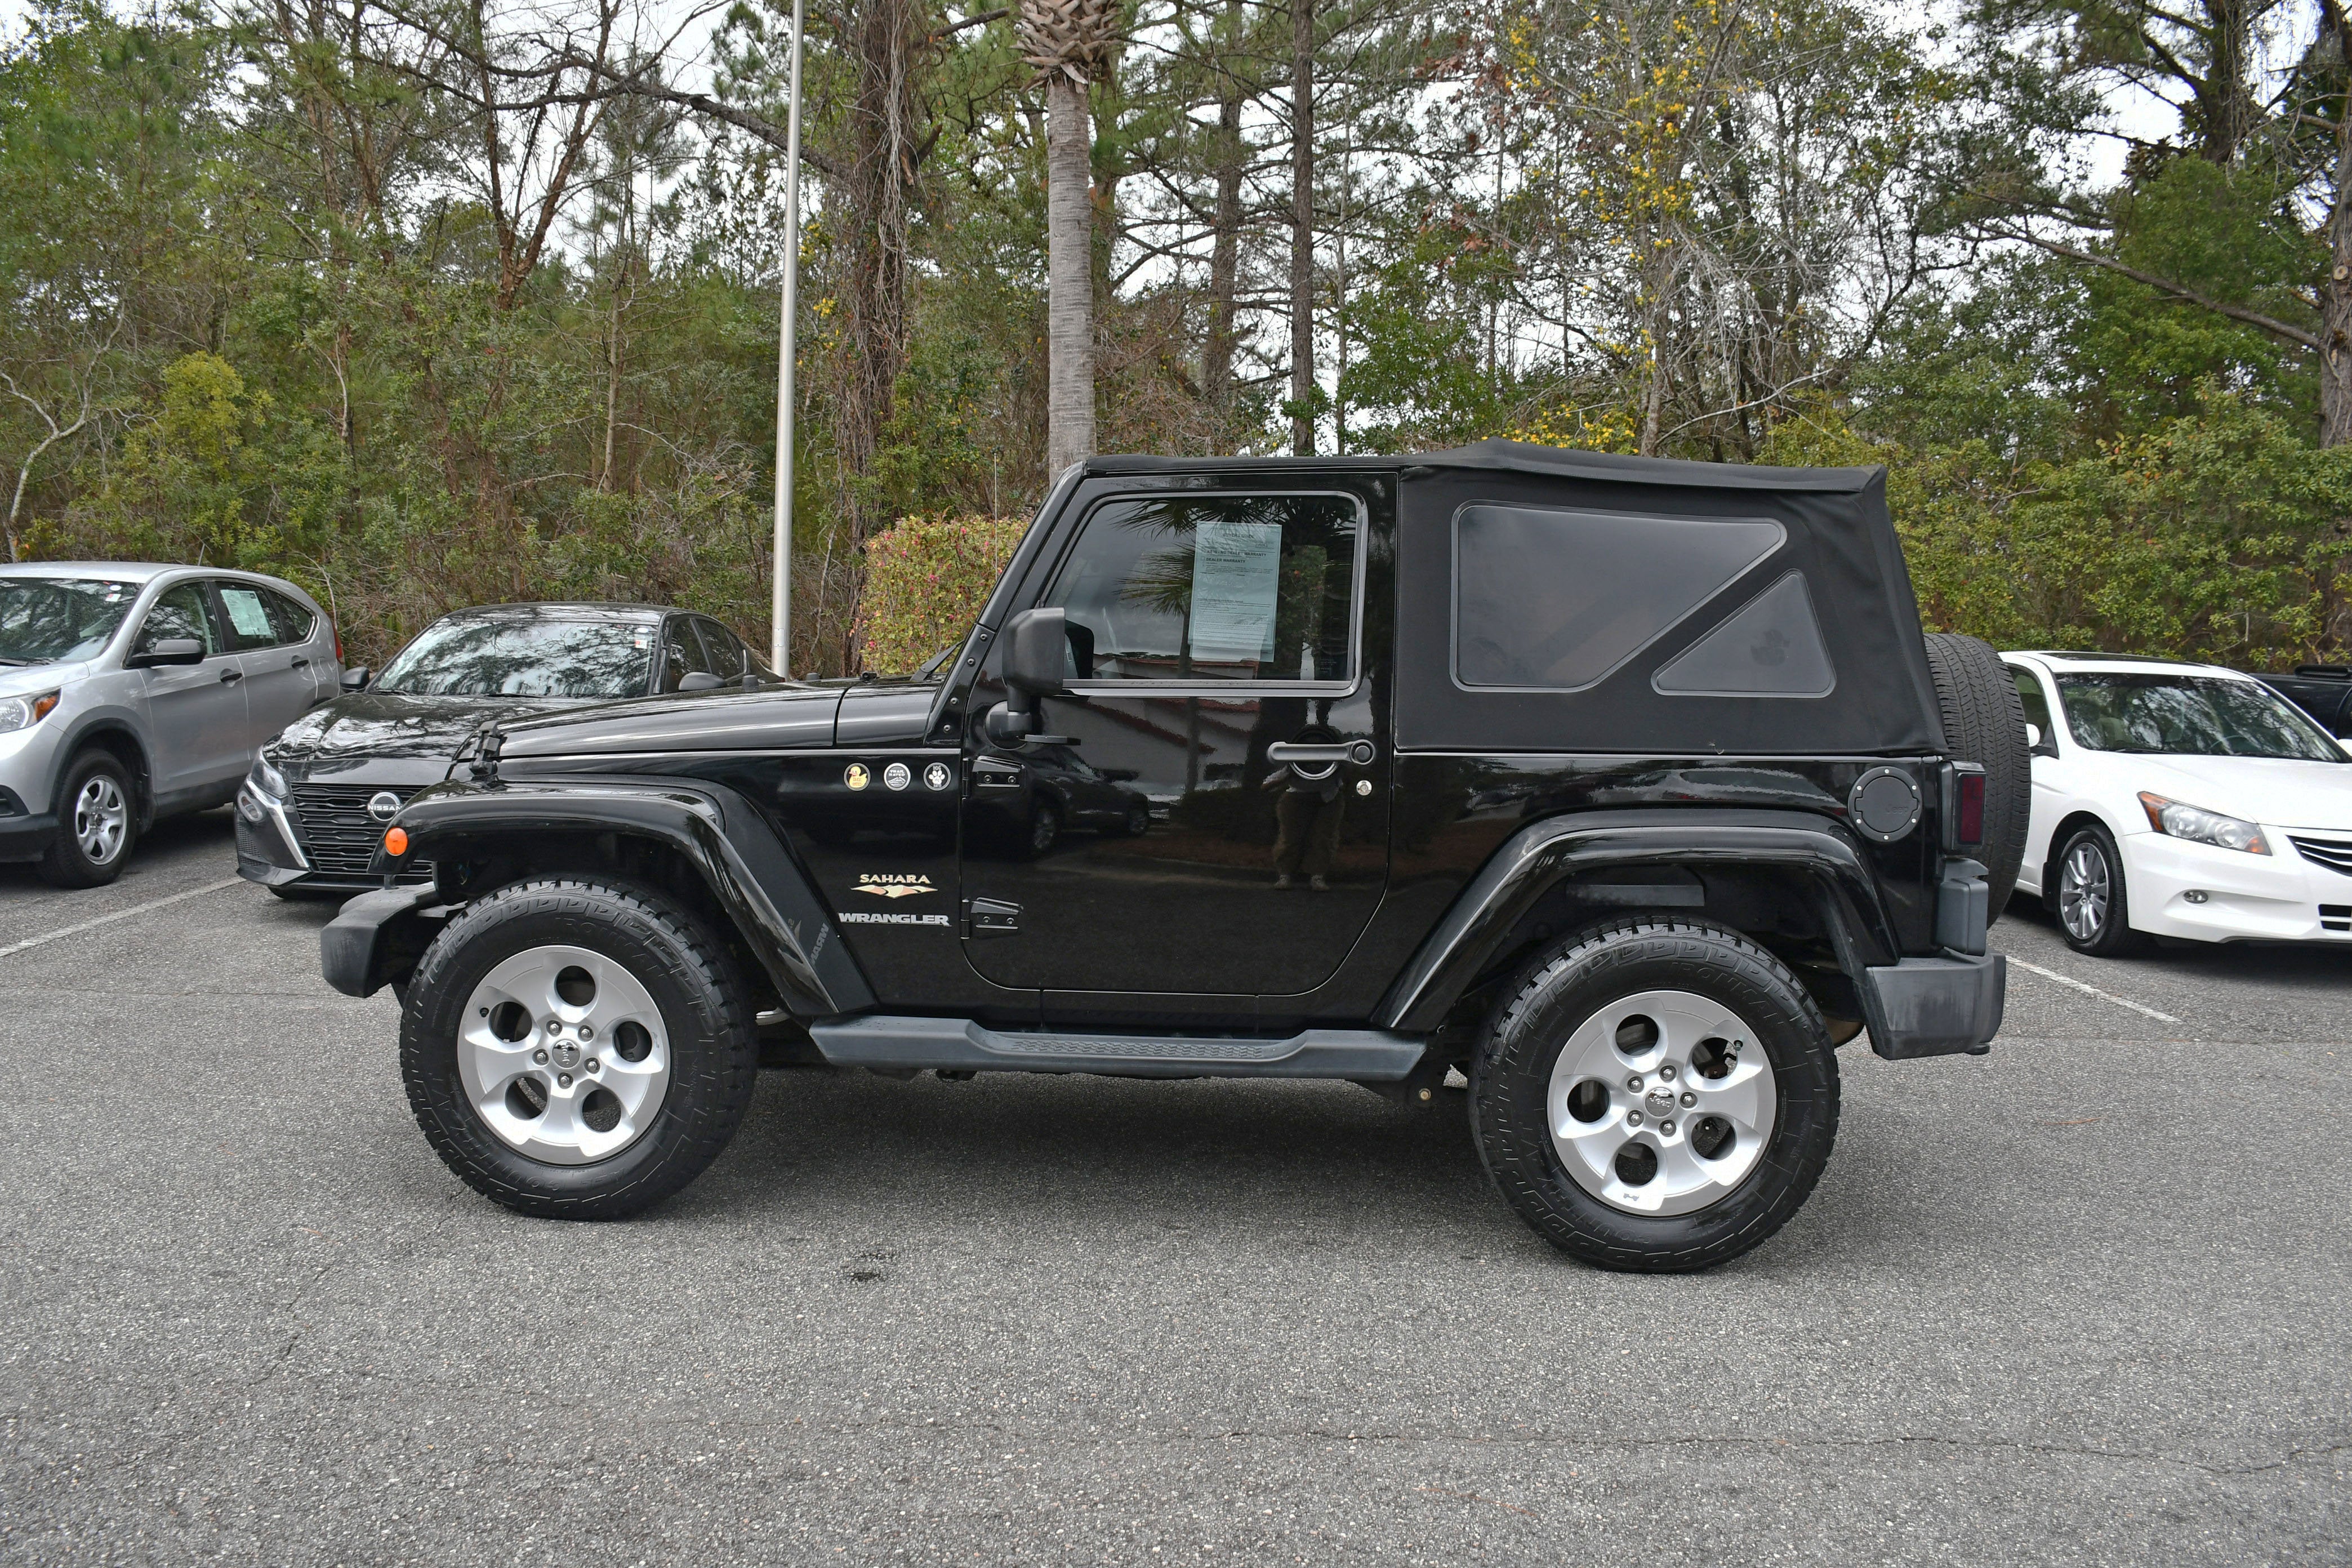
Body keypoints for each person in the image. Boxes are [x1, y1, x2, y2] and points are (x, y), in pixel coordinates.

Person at [1263, 757, 1345, 890]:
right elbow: (1266, 786)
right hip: (1296, 798)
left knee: (1324, 837)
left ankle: (1317, 876)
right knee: (1290, 837)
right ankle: (1285, 875)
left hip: (1328, 798)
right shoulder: (1293, 766)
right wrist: (1289, 776)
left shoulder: (1333, 764)